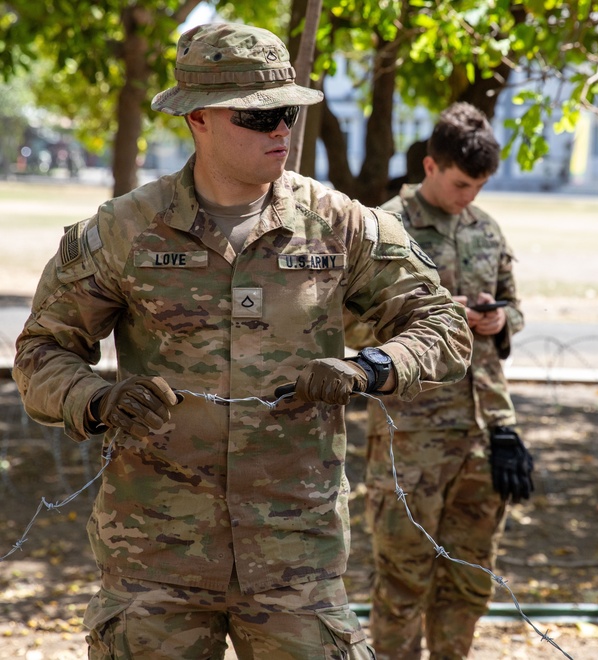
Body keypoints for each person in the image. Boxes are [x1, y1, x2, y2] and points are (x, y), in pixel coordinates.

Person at [13, 23, 473, 659]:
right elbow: (41, 352)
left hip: (296, 558)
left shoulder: (338, 224)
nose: (280, 131)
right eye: (258, 118)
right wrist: (97, 399)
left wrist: (368, 368)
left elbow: (443, 325)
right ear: (197, 118)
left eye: (287, 113)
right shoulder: (124, 231)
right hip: (155, 557)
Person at [346, 102, 533, 659]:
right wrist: (436, 313)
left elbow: (514, 310)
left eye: (478, 186)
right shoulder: (385, 226)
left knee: (470, 581)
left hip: (483, 433)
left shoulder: (486, 229)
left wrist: (499, 320)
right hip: (411, 434)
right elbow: (348, 319)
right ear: (430, 166)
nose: (468, 196)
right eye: (459, 184)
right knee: (403, 583)